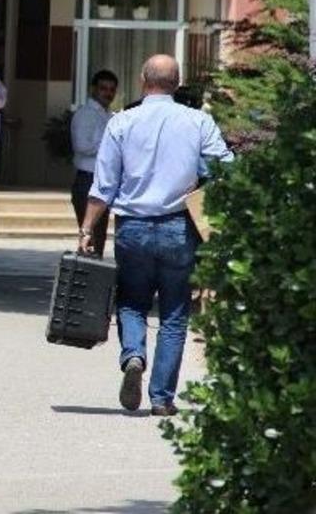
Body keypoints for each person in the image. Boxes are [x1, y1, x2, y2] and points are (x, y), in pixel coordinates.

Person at [79, 54, 232, 416]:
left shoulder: (121, 123)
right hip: (179, 228)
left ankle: (133, 355)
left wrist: (87, 228)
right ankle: (161, 398)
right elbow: (226, 165)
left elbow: (103, 186)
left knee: (131, 301)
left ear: (142, 81)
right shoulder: (198, 121)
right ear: (177, 84)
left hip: (132, 227)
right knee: (175, 312)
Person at [70, 69, 118, 255]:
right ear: (93, 89)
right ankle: (85, 281)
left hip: (104, 181)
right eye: (103, 88)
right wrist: (110, 142)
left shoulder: (108, 115)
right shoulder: (85, 114)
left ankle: (94, 280)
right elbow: (82, 146)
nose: (108, 93)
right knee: (89, 238)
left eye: (112, 89)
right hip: (87, 181)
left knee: (99, 239)